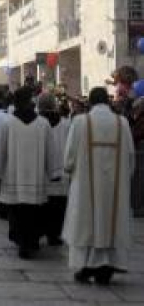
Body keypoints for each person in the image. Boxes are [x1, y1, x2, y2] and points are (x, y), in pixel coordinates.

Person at [63, 87, 135, 285]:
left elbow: (68, 159)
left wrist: (70, 170)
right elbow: (130, 159)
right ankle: (108, 266)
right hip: (115, 190)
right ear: (108, 102)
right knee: (111, 221)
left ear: (91, 103)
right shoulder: (122, 124)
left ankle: (86, 267)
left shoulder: (80, 122)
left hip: (85, 187)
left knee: (86, 221)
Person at [0, 86, 60, 259]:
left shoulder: (7, 123)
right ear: (31, 102)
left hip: (13, 178)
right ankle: (31, 240)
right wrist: (54, 172)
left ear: (16, 103)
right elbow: (52, 152)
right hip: (36, 179)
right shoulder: (43, 124)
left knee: (17, 212)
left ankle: (21, 241)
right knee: (34, 212)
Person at [37, 92, 71, 247]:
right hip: (61, 172)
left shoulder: (36, 123)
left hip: (42, 173)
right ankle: (54, 235)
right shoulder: (66, 124)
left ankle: (40, 231)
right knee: (58, 207)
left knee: (42, 207)